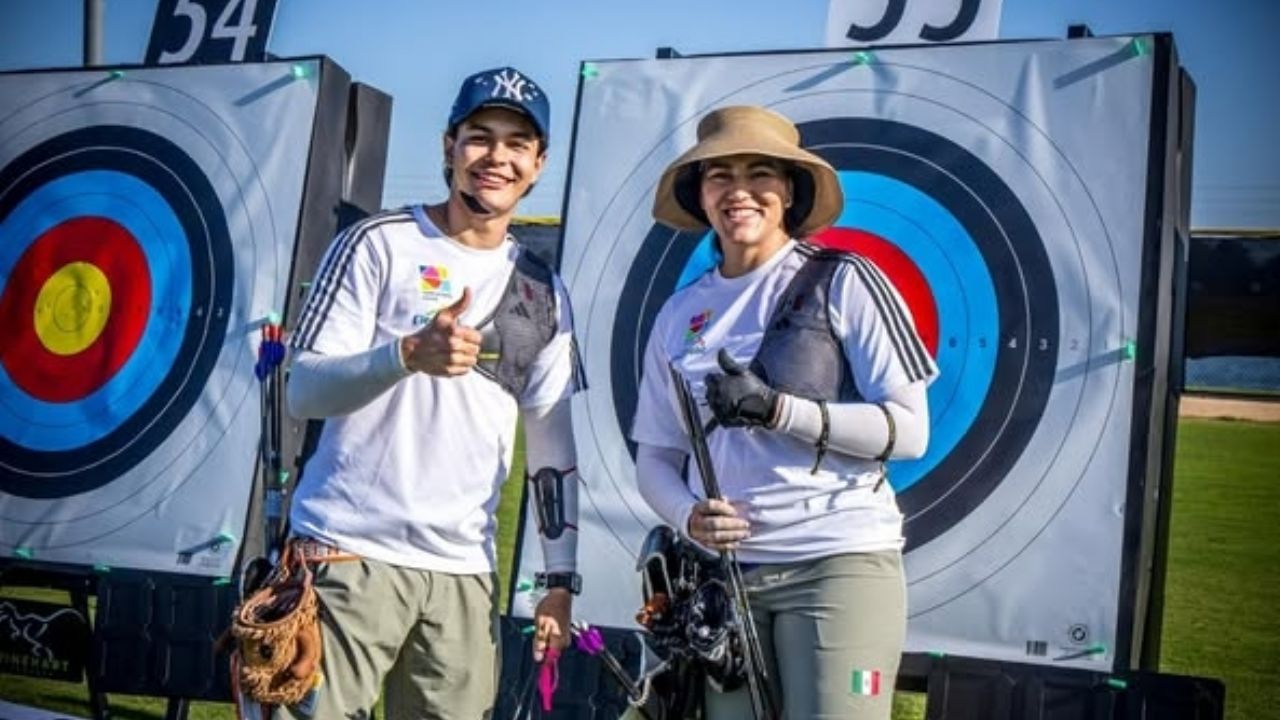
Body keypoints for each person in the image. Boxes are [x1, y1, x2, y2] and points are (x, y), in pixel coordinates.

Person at [282, 66, 585, 719]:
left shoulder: (544, 290)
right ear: (449, 147)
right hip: (346, 556)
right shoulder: (377, 244)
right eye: (479, 137)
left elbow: (554, 450)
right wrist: (405, 356)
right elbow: (302, 390)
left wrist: (559, 582)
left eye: (516, 143)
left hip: (463, 575)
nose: (496, 157)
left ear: (539, 164)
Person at [630, 105, 938, 719]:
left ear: (790, 191)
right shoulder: (678, 314)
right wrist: (688, 516)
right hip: (726, 580)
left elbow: (909, 431)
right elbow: (657, 455)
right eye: (719, 175)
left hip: (837, 563)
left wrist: (778, 411)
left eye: (759, 173)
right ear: (700, 195)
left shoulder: (845, 279)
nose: (738, 192)